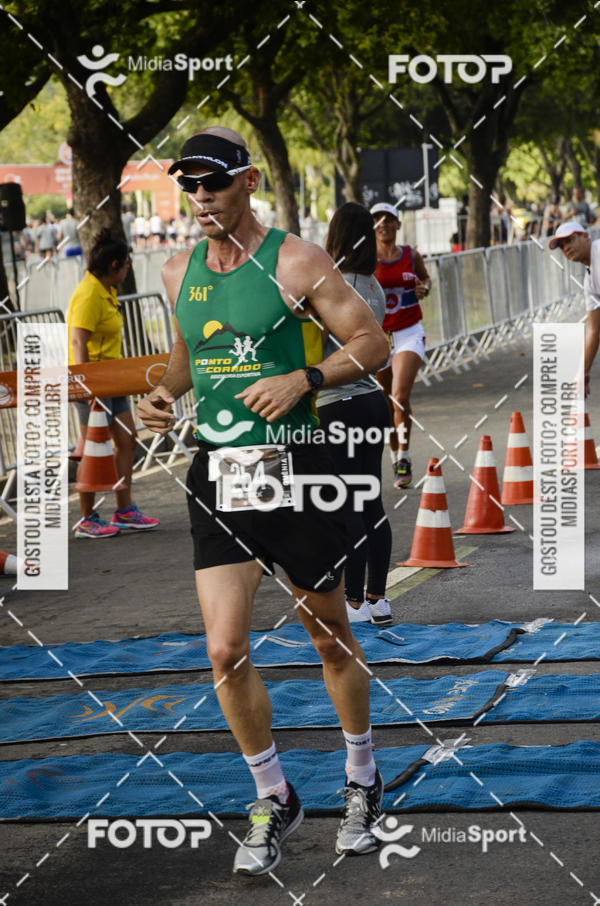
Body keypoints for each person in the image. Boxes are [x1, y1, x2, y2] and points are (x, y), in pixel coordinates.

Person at [138, 127, 389, 875]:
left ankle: (362, 778)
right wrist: (160, 395)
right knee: (223, 648)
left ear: (247, 181)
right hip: (219, 473)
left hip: (297, 466)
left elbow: (371, 343)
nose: (201, 197)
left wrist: (305, 380)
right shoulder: (177, 267)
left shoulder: (296, 260)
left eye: (213, 182)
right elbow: (186, 363)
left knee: (327, 635)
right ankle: (274, 795)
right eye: (190, 185)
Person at [317, 202, 392, 627]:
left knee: (345, 504)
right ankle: (378, 599)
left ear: (336, 237)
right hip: (371, 403)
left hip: (337, 406)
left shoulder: (332, 287)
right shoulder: (374, 289)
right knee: (370, 500)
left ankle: (353, 601)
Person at [67, 228, 160, 537]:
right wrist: (87, 385)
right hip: (92, 383)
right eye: (127, 264)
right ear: (114, 266)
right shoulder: (89, 293)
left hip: (113, 381)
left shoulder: (107, 290)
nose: (129, 269)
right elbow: (79, 341)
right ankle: (87, 518)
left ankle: (124, 510)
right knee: (93, 448)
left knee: (127, 438)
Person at [370, 202, 431, 488]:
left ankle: (405, 455)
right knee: (384, 403)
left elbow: (426, 280)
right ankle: (396, 458)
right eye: (377, 219)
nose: (383, 224)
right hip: (379, 337)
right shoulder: (366, 259)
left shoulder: (410, 254)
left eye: (389, 219)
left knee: (399, 396)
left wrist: (424, 288)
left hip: (408, 331)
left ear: (398, 224)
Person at [549, 221, 600, 397]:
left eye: (570, 240)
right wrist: (583, 371)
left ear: (585, 236)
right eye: (562, 246)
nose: (566, 248)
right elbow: (593, 330)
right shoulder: (590, 281)